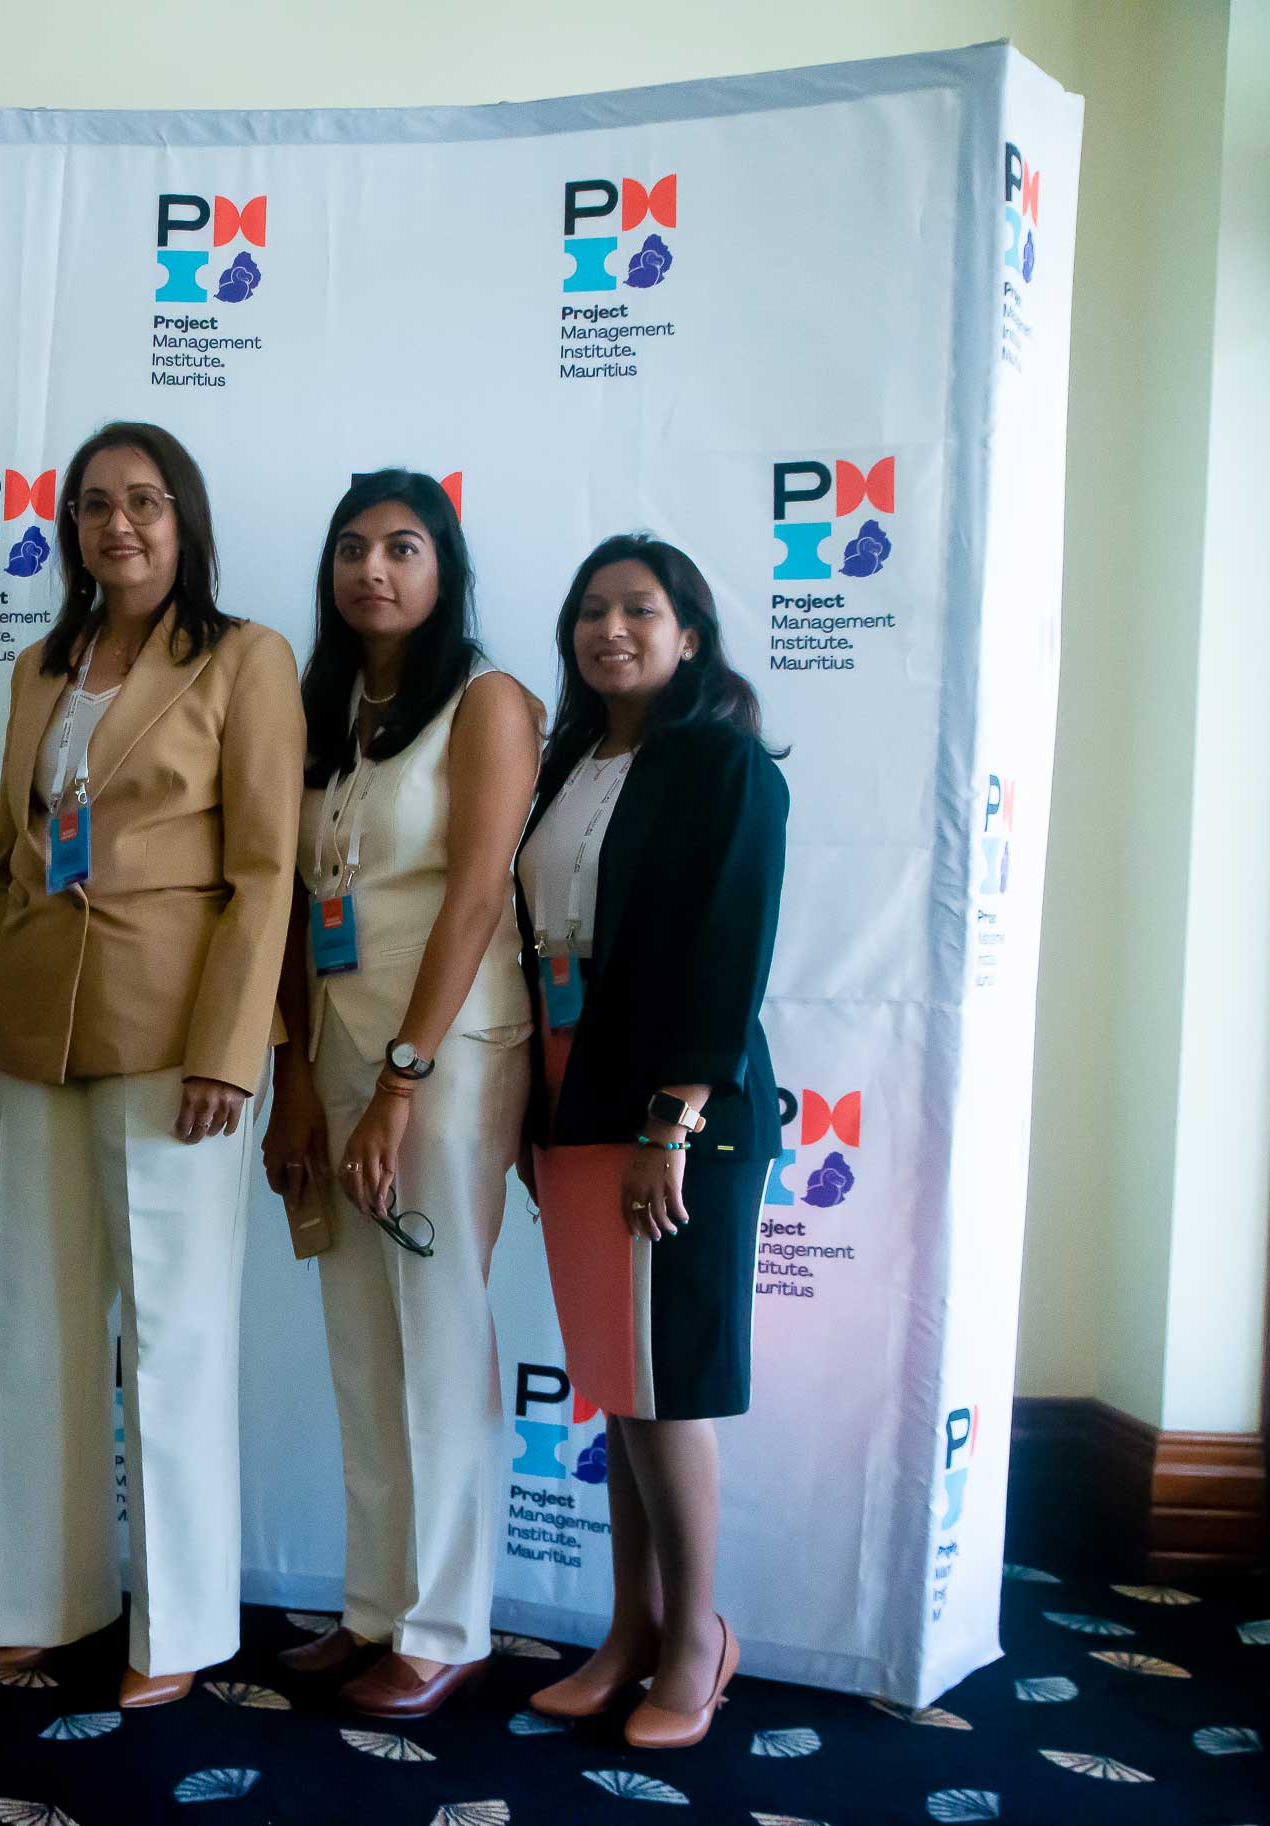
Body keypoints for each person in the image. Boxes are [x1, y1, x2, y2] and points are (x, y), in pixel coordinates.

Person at [0, 421, 303, 1708]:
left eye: (146, 502)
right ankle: (48, 1598)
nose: (121, 525)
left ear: (185, 518)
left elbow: (267, 869)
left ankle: (185, 1623)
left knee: (175, 1331)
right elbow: (4, 863)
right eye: (96, 505)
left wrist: (231, 1047)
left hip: (174, 1037)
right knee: (39, 1324)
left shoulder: (248, 657)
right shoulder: (42, 666)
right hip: (36, 1026)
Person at [261, 470, 540, 1718]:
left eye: (404, 547)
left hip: (449, 1055)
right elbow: (297, 902)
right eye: (354, 547)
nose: (375, 568)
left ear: (445, 567)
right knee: (361, 1342)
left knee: (434, 1330)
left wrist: (403, 1079)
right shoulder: (331, 709)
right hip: (337, 1052)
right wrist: (304, 1081)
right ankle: (376, 1604)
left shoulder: (487, 700)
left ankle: (446, 1622)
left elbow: (479, 895)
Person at [514, 533, 787, 1751]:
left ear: (690, 634)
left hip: (677, 1117)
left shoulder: (721, 765)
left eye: (640, 608)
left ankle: (697, 1641)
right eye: (591, 610)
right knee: (619, 1388)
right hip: (573, 1102)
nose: (611, 628)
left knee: (668, 1388)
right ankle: (626, 1630)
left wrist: (670, 1121)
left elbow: (727, 949)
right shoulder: (568, 760)